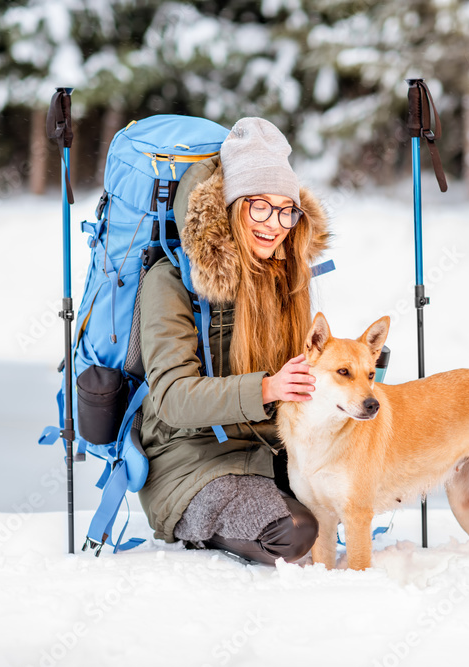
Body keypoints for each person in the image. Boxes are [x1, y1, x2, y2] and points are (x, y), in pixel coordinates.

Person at [136, 117, 330, 565]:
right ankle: (202, 525)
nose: (275, 223)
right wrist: (267, 388)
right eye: (259, 206)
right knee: (297, 534)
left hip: (267, 447)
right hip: (188, 458)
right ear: (230, 204)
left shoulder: (285, 275)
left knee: (351, 489)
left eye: (286, 209)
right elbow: (171, 397)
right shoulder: (169, 281)